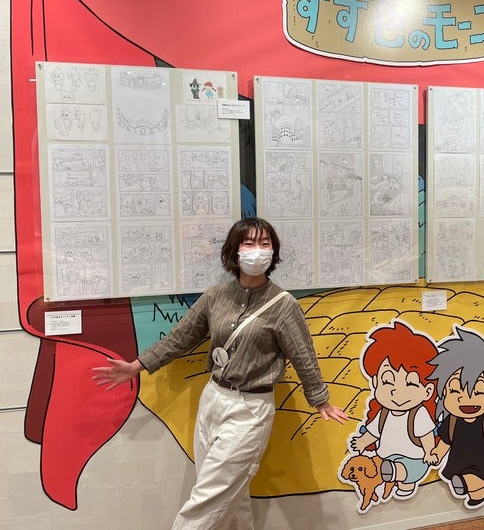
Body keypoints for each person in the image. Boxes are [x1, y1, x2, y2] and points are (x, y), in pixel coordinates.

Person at [92, 217, 348, 529]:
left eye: (265, 243)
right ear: (234, 251)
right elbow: (180, 338)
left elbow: (303, 355)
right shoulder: (216, 296)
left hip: (251, 409)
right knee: (230, 497)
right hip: (213, 398)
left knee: (209, 497)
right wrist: (136, 366)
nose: (257, 250)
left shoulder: (283, 305)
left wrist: (320, 400)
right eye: (249, 243)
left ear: (273, 252)